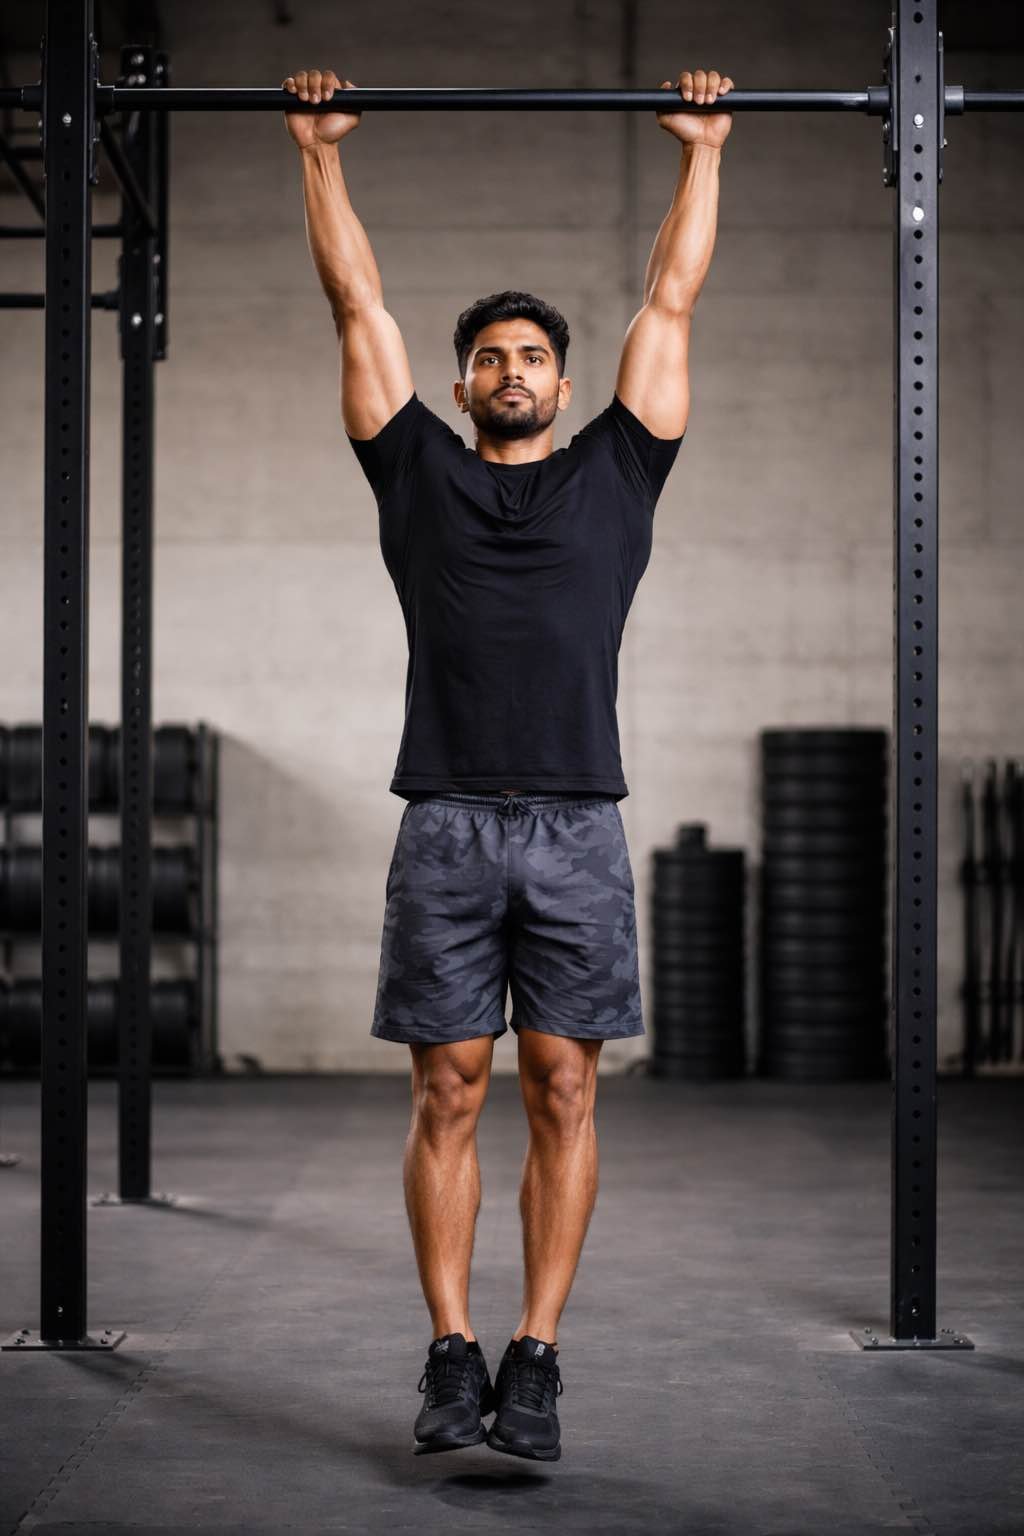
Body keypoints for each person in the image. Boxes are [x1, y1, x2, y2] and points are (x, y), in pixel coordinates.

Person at [284, 64, 733, 1461]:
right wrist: (319, 153)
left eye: (534, 355)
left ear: (562, 378)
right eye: (491, 357)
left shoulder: (622, 468)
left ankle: (534, 1354)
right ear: (467, 380)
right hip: (449, 828)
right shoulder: (414, 470)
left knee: (565, 1083)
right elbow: (359, 305)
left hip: (580, 827)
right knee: (449, 1090)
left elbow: (671, 301)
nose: (512, 372)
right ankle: (448, 1348)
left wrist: (701, 153)